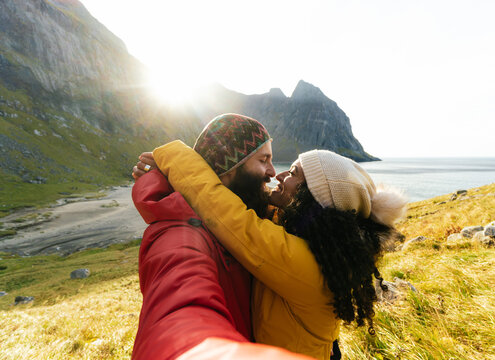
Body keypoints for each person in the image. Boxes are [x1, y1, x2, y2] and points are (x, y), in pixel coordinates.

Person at [142, 140, 407, 359]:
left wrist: (172, 155)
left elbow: (225, 212)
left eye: (293, 173)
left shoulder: (303, 263)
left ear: (312, 198)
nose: (278, 175)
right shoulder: (314, 238)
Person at [131, 114, 309, 359]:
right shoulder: (178, 234)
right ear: (227, 170)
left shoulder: (259, 215)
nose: (271, 172)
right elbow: (180, 309)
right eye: (263, 159)